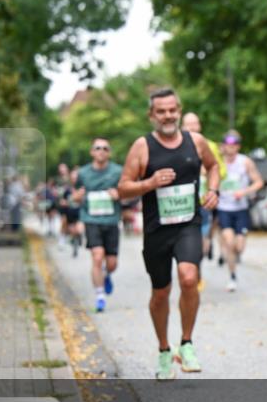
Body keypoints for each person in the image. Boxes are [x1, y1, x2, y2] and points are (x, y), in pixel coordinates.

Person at [118, 88, 220, 381]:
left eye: (172, 110)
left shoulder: (196, 141)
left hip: (188, 224)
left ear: (179, 110)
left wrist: (213, 190)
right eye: (161, 111)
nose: (167, 116)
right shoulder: (142, 146)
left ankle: (186, 343)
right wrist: (148, 183)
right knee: (160, 293)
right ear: (152, 115)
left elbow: (213, 167)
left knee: (189, 278)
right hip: (156, 230)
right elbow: (123, 187)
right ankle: (164, 349)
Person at [72, 138, 123, 313]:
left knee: (112, 263)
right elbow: (76, 195)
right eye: (97, 148)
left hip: (111, 221)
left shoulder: (118, 171)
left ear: (109, 152)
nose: (101, 151)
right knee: (97, 256)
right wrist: (77, 198)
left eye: (105, 148)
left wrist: (119, 194)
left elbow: (128, 193)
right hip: (91, 220)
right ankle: (100, 296)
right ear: (92, 152)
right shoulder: (84, 173)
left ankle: (107, 275)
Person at [181, 112, 226, 292]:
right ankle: (191, 270)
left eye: (195, 124)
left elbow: (221, 170)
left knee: (200, 241)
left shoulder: (210, 146)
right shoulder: (176, 145)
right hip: (182, 202)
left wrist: (208, 177)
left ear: (199, 126)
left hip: (203, 202)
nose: (192, 128)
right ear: (182, 127)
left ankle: (195, 269)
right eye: (188, 124)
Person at [216, 130, 264, 292]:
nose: (231, 148)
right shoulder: (218, 163)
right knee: (229, 243)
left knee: (239, 247)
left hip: (241, 209)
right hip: (224, 208)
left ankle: (233, 255)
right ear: (223, 147)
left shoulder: (245, 162)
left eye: (235, 145)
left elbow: (259, 182)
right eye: (228, 145)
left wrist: (243, 192)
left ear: (238, 147)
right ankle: (232, 276)